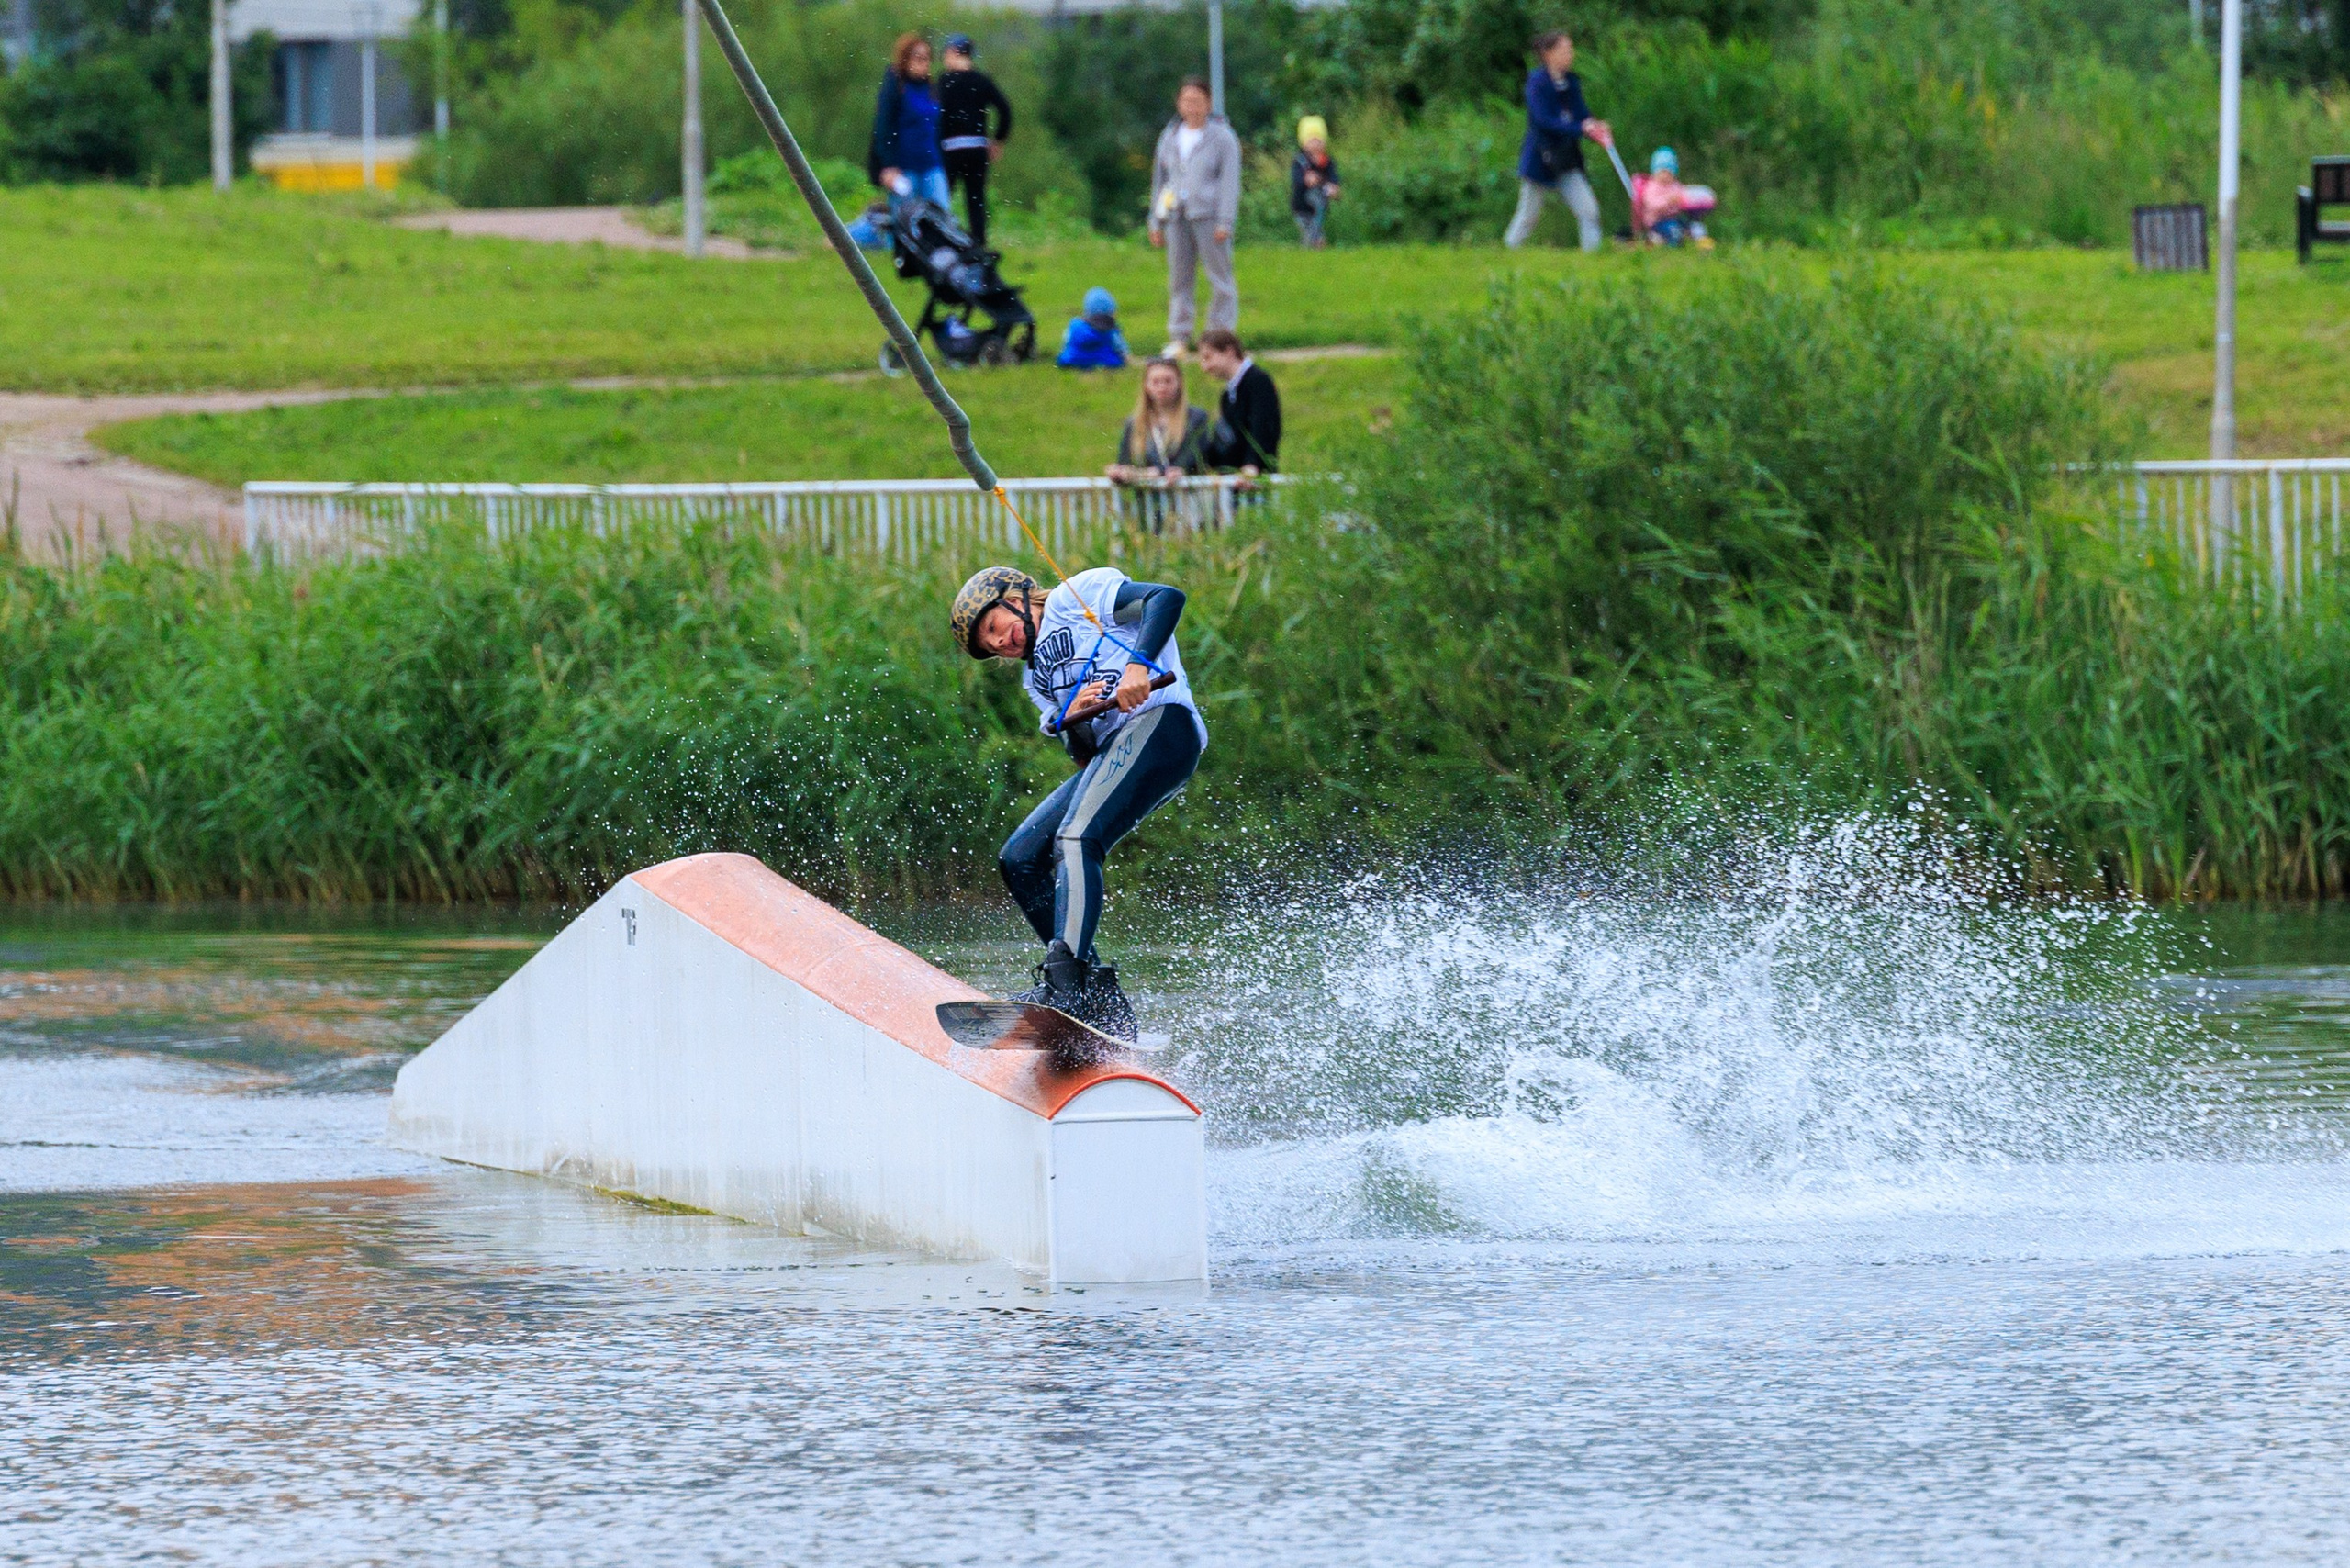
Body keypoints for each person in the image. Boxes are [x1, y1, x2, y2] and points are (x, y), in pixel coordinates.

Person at [949, 565, 1207, 1038]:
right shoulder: (1037, 680)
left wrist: (1136, 667)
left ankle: (1065, 985)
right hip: (1114, 749)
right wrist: (1076, 717)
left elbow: (1166, 598)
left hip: (1162, 725)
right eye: (990, 646)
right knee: (1020, 858)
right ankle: (1098, 995)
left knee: (1076, 837)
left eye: (994, 627)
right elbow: (1084, 753)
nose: (1001, 644)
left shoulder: (1077, 597)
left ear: (1016, 597)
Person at [1147, 77, 1243, 359]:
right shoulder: (1169, 136)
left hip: (1209, 216)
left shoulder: (1222, 137)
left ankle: (1220, 336)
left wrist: (1225, 221)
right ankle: (1179, 336)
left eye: (1198, 101)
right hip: (1176, 215)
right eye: (1187, 101)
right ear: (1179, 104)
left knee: (1220, 277)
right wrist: (1155, 220)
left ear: (1208, 104)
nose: (1192, 107)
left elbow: (1229, 182)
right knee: (1179, 279)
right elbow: (1160, 180)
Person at [1505, 29, 1612, 252]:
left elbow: (1582, 114)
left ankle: (1593, 260)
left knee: (1589, 210)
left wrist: (1594, 126)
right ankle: (1506, 256)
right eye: (1564, 50)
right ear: (1548, 54)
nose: (1570, 54)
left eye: (1570, 50)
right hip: (1540, 158)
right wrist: (1581, 128)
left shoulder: (1572, 82)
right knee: (1528, 216)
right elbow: (1543, 120)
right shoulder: (1537, 83)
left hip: (1566, 159)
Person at [849, 34, 947, 250]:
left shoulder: (931, 89)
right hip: (903, 165)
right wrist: (887, 166)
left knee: (940, 215)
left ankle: (936, 253)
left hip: (931, 162)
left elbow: (937, 128)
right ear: (905, 58)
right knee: (901, 221)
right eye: (916, 57)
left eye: (926, 58)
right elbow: (883, 127)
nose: (922, 63)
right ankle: (853, 236)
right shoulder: (896, 85)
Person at [1109, 356, 1211, 530]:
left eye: (1168, 381)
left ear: (1179, 383)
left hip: (1185, 503)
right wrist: (1120, 472)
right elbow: (1124, 461)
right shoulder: (1134, 424)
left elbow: (1193, 456)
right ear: (1146, 385)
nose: (1162, 387)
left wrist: (1162, 472)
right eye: (1155, 381)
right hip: (1147, 504)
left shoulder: (1195, 418)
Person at [937, 33, 1012, 249]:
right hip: (977, 147)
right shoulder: (981, 81)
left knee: (944, 198)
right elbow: (1004, 110)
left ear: (952, 52)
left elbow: (934, 116)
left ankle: (943, 240)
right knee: (976, 200)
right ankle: (979, 245)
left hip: (950, 148)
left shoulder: (944, 81)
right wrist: (998, 140)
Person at [1197, 328, 1279, 485]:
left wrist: (1252, 465)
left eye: (1208, 357)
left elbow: (1263, 427)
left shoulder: (1257, 381)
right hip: (1235, 478)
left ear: (1229, 351)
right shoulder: (1227, 395)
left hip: (1254, 479)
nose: (1204, 367)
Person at [1632, 146, 1716, 248]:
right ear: (1655, 172)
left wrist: (1687, 202)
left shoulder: (1675, 186)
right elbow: (1651, 204)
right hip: (1658, 221)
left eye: (1669, 173)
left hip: (1675, 217)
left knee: (1692, 225)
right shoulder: (1652, 187)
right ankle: (1668, 243)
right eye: (1662, 172)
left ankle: (1701, 240)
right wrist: (1668, 201)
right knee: (1673, 230)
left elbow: (1682, 197)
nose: (1665, 176)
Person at [1290, 116, 1341, 248]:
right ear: (1304, 142)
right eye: (1312, 140)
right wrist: (1306, 179)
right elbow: (1296, 180)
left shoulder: (1328, 162)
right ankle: (1312, 247)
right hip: (1302, 207)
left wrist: (1334, 188)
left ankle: (1313, 248)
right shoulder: (1300, 161)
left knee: (1316, 229)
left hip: (1319, 208)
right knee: (1310, 232)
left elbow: (1334, 178)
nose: (1316, 144)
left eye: (1319, 140)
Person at [1058, 286, 1130, 370]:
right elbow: (1120, 348)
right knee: (1113, 359)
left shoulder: (1075, 325)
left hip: (1072, 360)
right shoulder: (1110, 329)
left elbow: (1066, 341)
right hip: (1105, 361)